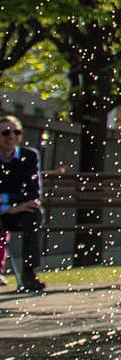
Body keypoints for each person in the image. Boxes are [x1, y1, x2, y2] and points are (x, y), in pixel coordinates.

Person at [0, 115, 47, 293]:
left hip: (18, 213)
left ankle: (29, 272)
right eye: (5, 132)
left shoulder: (29, 156)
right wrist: (11, 206)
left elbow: (33, 192)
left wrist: (9, 204)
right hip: (5, 212)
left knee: (33, 213)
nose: (11, 136)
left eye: (16, 132)